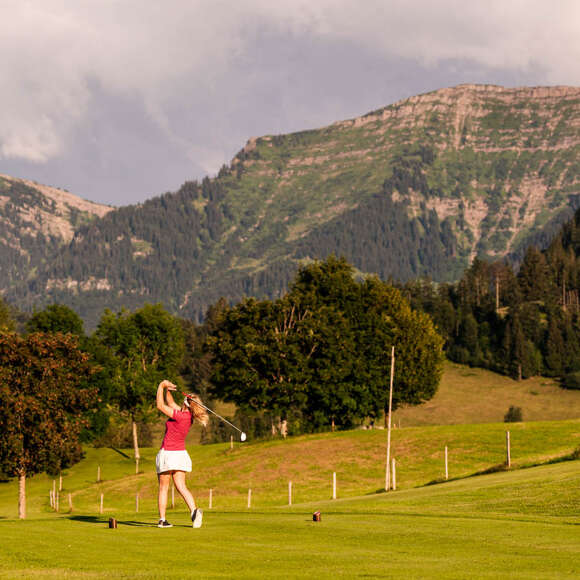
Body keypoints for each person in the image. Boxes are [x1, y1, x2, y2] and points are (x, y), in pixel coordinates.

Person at [155, 379, 208, 528]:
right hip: (180, 455)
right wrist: (168, 390)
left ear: (186, 403)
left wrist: (161, 385)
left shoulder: (180, 416)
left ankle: (162, 520)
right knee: (181, 486)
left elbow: (160, 405)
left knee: (163, 488)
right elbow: (170, 403)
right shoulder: (187, 416)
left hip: (168, 454)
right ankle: (194, 511)